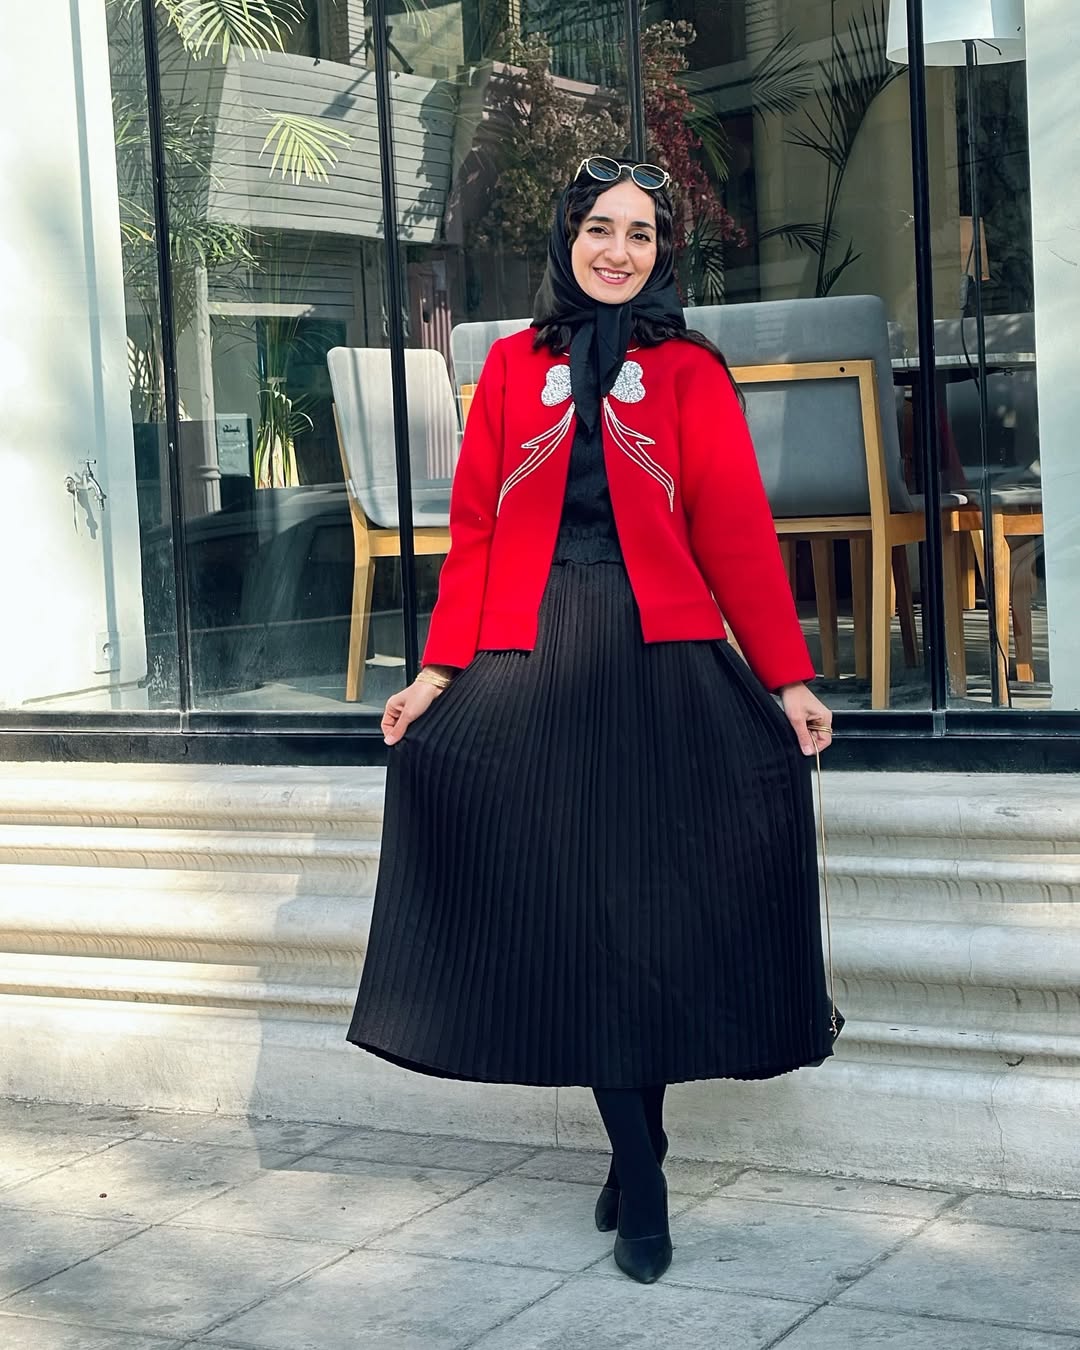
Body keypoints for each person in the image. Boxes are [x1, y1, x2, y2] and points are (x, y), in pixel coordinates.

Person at [347, 155, 838, 1285]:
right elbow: (476, 531)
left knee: (644, 917)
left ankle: (638, 1160)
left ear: (662, 254)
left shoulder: (690, 371)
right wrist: (436, 674)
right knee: (573, 911)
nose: (619, 250)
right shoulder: (509, 368)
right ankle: (642, 1163)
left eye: (642, 233)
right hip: (531, 648)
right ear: (566, 240)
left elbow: (734, 529)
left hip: (661, 653)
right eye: (600, 229)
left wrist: (788, 679)